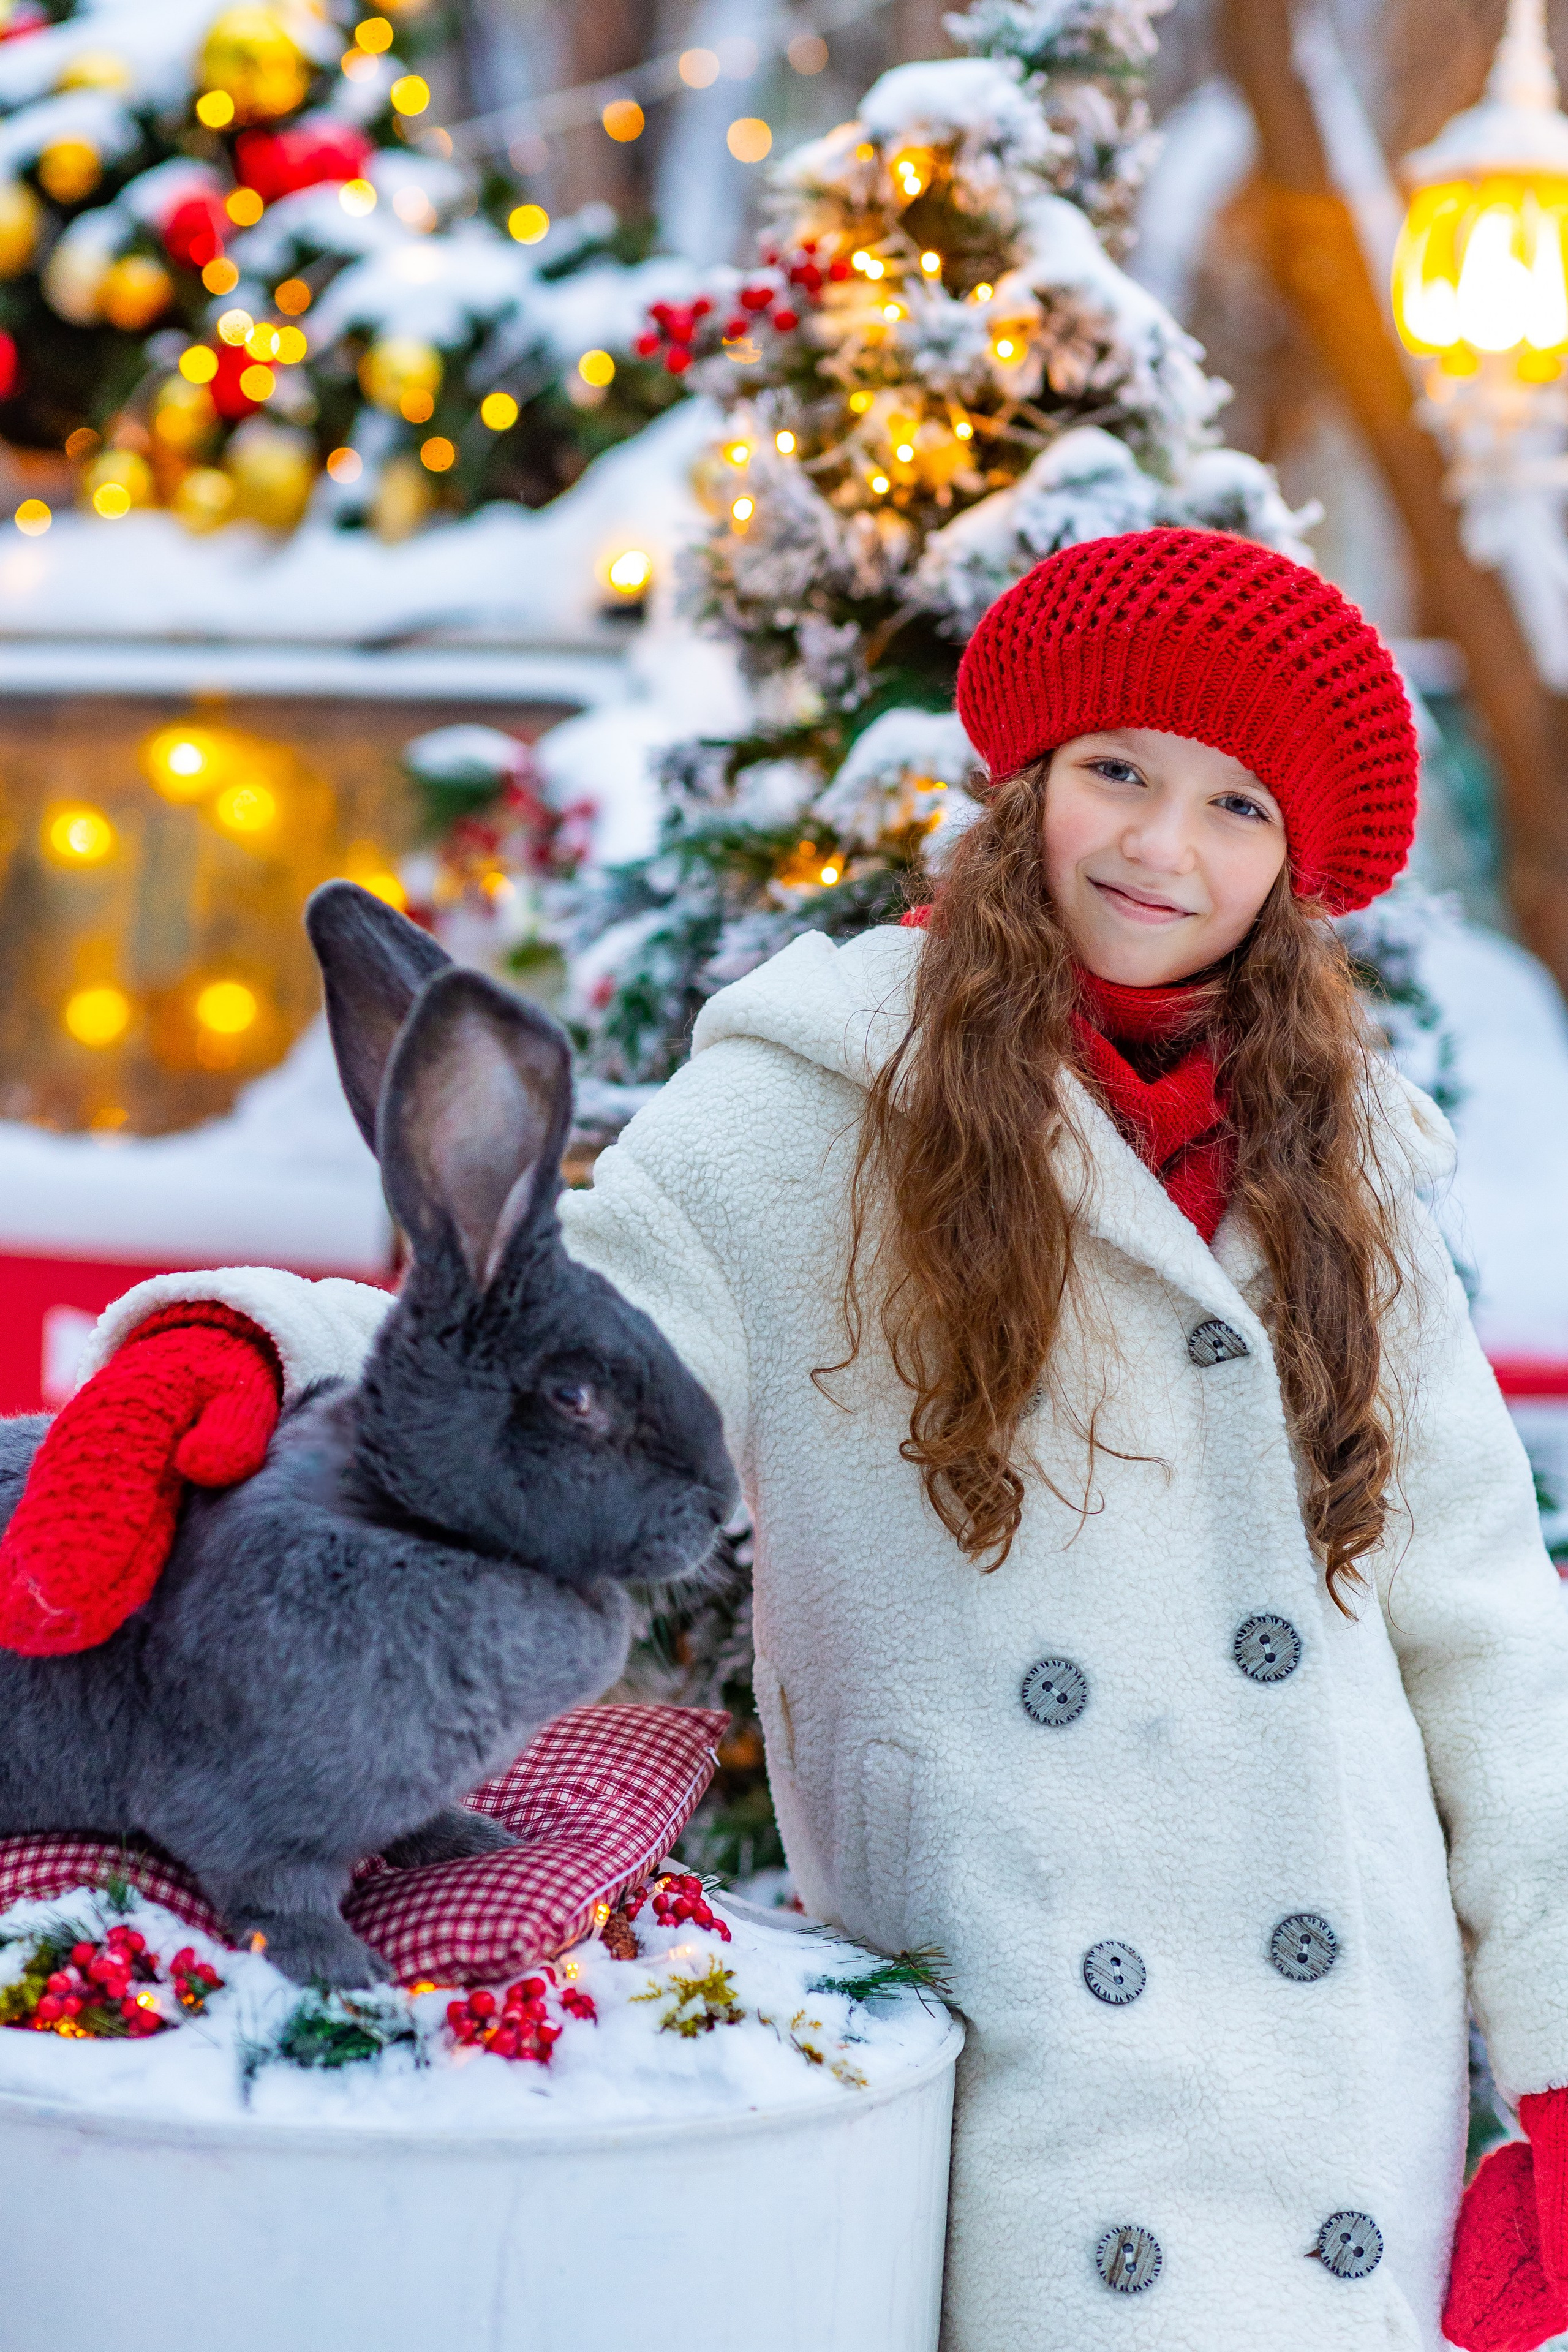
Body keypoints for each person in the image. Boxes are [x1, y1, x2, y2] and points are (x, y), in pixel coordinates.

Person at [8, 527, 1568, 2351]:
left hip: (1341, 2055)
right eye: (1118, 773)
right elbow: (565, 1341)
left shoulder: (1349, 1171)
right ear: (1028, 784)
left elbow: (1481, 1625)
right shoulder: (817, 1099)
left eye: (1236, 806)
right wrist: (246, 1351)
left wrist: (1546, 2050)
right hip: (1028, 2046)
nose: (1163, 847)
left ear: (1297, 864)